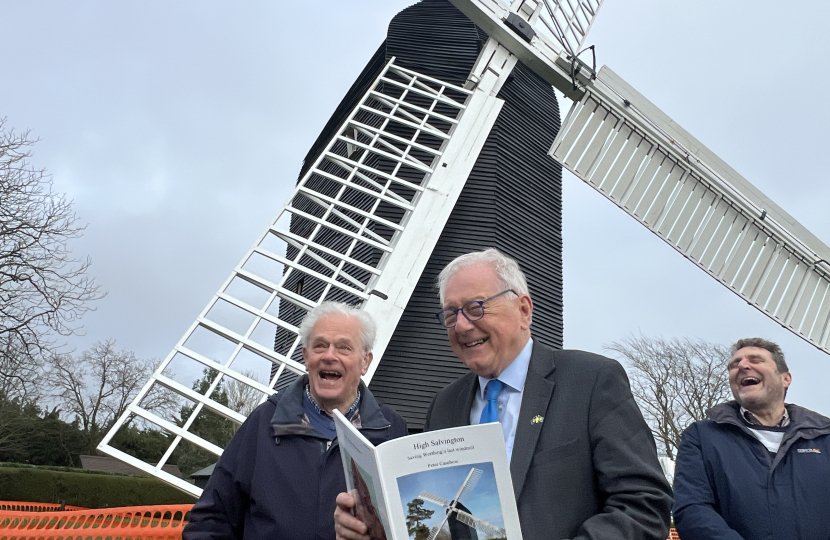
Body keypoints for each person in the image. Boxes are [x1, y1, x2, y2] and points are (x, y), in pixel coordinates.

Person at [335, 248, 672, 540]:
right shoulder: (444, 406)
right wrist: (374, 529)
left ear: (524, 310)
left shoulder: (591, 381)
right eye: (451, 314)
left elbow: (643, 504)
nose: (462, 326)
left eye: (476, 307)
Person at [183, 301, 407, 540]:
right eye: (320, 346)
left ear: (365, 362)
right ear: (305, 356)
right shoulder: (264, 423)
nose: (329, 356)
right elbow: (210, 521)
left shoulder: (392, 430)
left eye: (343, 348)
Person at [673, 337, 830, 540]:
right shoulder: (701, 437)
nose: (743, 366)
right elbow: (692, 509)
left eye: (755, 360)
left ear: (785, 378)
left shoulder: (824, 436)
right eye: (734, 364)